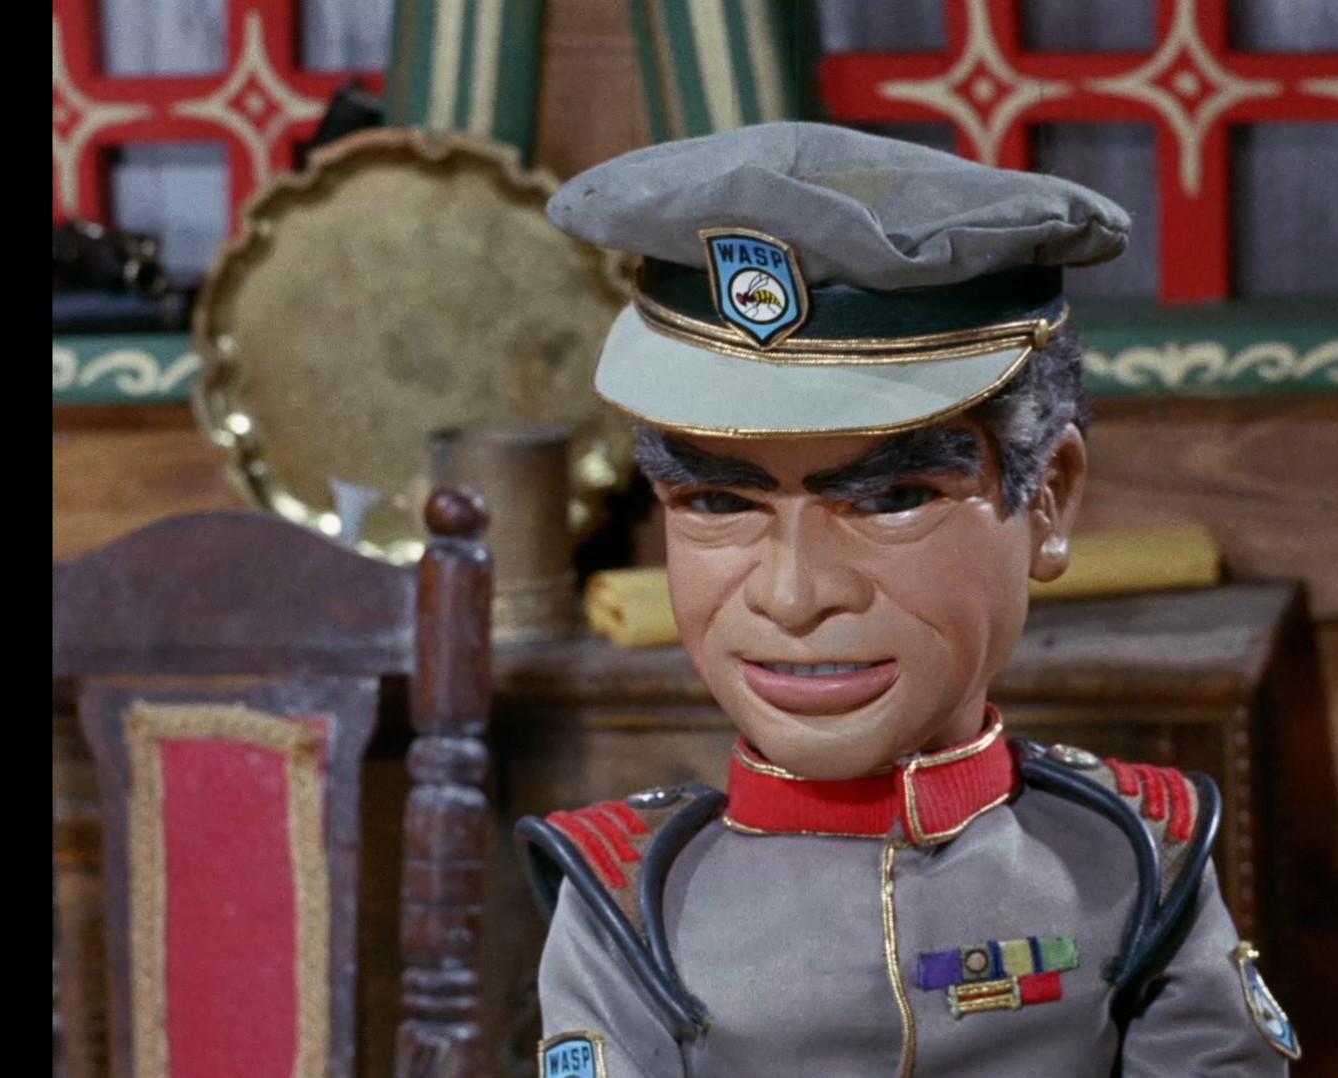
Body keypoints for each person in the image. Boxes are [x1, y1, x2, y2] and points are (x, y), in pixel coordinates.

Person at [516, 121, 1297, 1077]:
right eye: (718, 502)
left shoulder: (1137, 866)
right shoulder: (630, 905)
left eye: (892, 499)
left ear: (1047, 501)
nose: (794, 596)